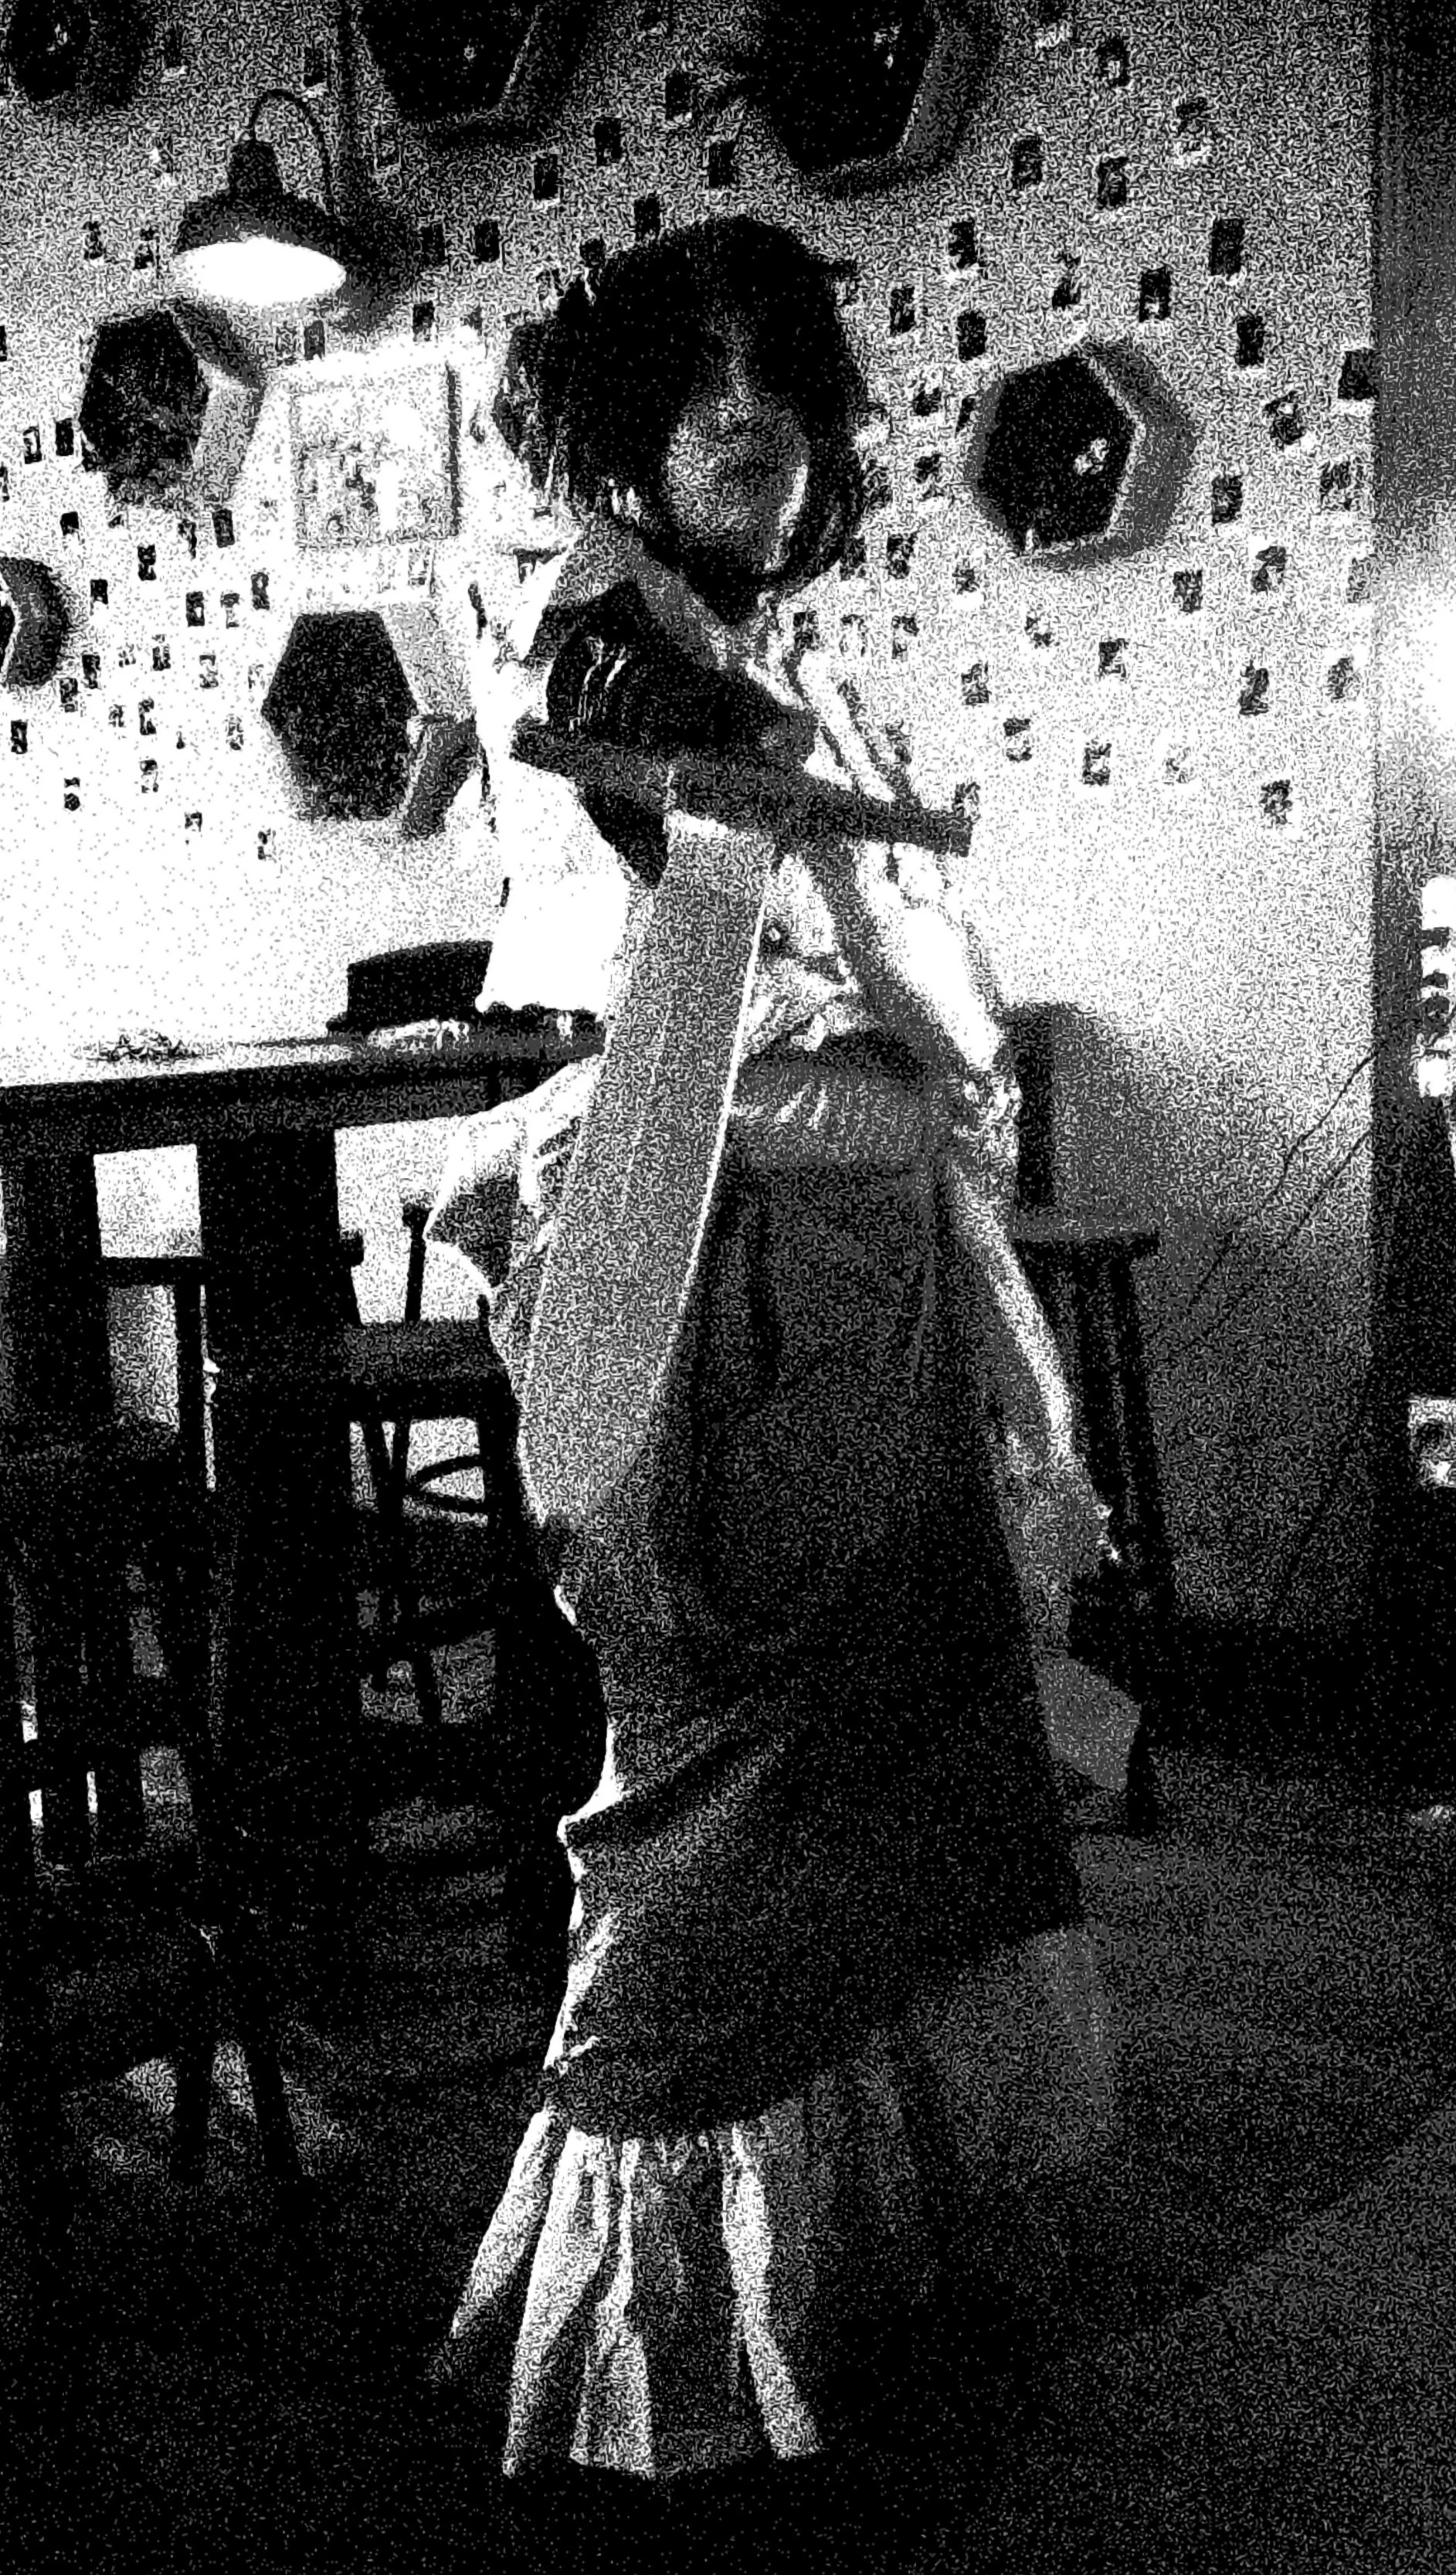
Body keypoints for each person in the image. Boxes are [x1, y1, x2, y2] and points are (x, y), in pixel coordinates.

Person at [428, 215, 1117, 2561]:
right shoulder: (596, 637)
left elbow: (887, 964)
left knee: (900, 1716)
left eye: (780, 383)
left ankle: (852, 2254)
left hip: (832, 1231)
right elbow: (705, 928)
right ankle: (663, 2317)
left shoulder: (745, 653)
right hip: (689, 1239)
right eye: (698, 383)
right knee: (730, 1739)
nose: (747, 417)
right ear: (627, 427)